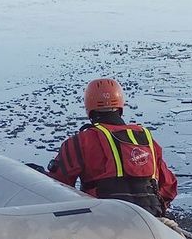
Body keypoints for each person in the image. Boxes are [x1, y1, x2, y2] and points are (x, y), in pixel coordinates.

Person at [47, 78, 177, 217]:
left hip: (105, 222)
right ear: (120, 105)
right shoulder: (145, 138)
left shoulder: (81, 141)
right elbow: (169, 188)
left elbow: (57, 187)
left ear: (88, 107)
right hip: (151, 220)